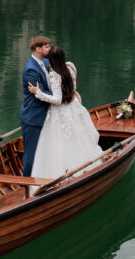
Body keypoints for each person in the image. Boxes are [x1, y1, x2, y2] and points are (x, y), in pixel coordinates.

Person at [28, 45, 103, 188]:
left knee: (60, 144)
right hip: (73, 108)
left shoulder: (54, 76)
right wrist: (74, 93)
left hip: (61, 112)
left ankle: (64, 175)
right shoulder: (71, 67)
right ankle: (85, 168)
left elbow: (57, 99)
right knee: (78, 139)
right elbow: (71, 87)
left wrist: (38, 93)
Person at [19, 35, 52, 177]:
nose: (49, 49)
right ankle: (26, 185)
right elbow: (40, 93)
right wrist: (62, 96)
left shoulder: (44, 62)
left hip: (45, 115)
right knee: (31, 155)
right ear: (38, 49)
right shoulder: (30, 70)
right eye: (47, 47)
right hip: (33, 117)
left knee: (44, 151)